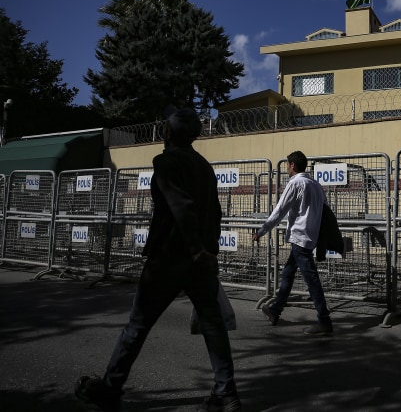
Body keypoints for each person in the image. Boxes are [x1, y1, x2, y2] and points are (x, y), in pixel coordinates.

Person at [75, 107, 241, 412]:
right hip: (200, 258)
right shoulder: (203, 165)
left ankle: (111, 389)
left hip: (169, 258)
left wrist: (194, 248)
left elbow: (182, 207)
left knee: (137, 326)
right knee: (213, 325)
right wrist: (209, 252)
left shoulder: (165, 162)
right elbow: (214, 212)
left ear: (168, 133)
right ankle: (226, 393)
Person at [253, 150, 333, 335]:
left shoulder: (295, 183)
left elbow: (280, 210)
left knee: (311, 281)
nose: (287, 168)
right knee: (288, 274)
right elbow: (326, 211)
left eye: (288, 165)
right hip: (309, 237)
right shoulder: (316, 185)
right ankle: (275, 311)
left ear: (292, 165)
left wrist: (262, 230)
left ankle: (324, 321)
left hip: (300, 238)